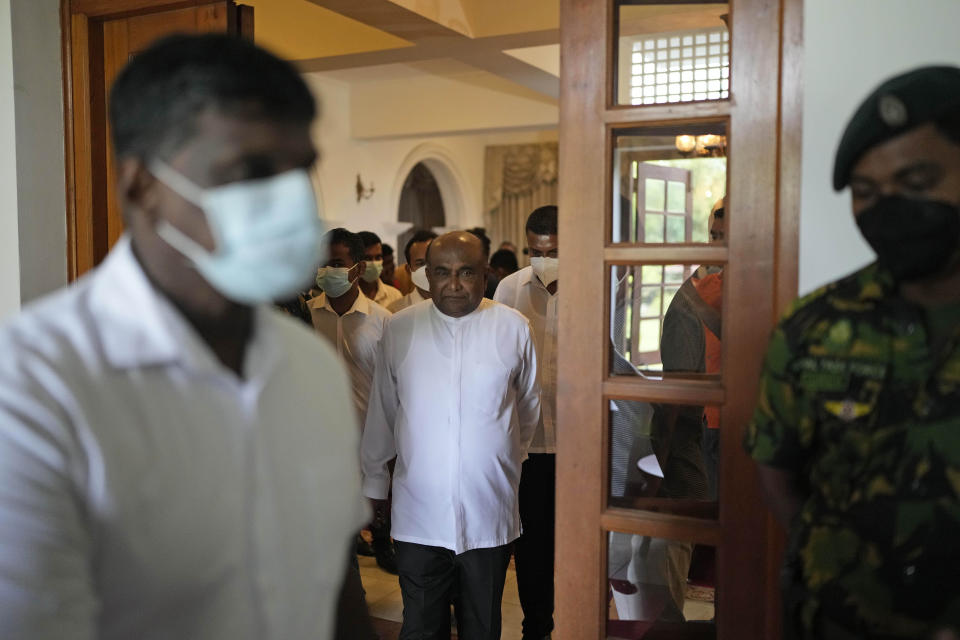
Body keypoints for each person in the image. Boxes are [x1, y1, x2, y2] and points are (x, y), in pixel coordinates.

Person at [0, 33, 370, 640]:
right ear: (141, 187)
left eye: (298, 172)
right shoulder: (35, 387)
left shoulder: (309, 365)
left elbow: (331, 585)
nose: (289, 205)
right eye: (249, 173)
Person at [745, 66, 960, 639]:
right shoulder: (816, 325)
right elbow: (778, 478)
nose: (888, 208)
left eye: (916, 182)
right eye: (866, 193)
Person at [362, 231, 541, 640]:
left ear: (486, 275)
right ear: (426, 275)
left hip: (488, 510)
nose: (454, 284)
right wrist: (374, 482)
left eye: (467, 273)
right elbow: (383, 411)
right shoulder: (401, 328)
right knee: (422, 626)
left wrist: (505, 461)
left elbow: (528, 407)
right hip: (419, 514)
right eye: (441, 272)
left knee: (482, 626)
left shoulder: (513, 328)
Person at [311, 228, 397, 576]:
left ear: (357, 269)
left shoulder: (383, 322)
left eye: (336, 263)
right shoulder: (306, 315)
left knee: (375, 519)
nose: (326, 271)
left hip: (370, 442)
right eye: (322, 264)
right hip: (321, 445)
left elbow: (393, 391)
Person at [493, 205, 559, 640]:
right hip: (525, 444)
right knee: (532, 547)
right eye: (536, 252)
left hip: (578, 443)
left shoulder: (597, 284)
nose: (544, 260)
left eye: (553, 251)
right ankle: (537, 628)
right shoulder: (507, 288)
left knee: (573, 547)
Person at [388, 229, 437, 313]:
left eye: (434, 261)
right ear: (408, 270)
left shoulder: (458, 307)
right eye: (420, 263)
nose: (427, 270)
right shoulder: (394, 312)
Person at [358, 230, 403, 308]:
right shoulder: (347, 297)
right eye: (367, 258)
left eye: (378, 257)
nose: (374, 263)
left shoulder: (395, 296)